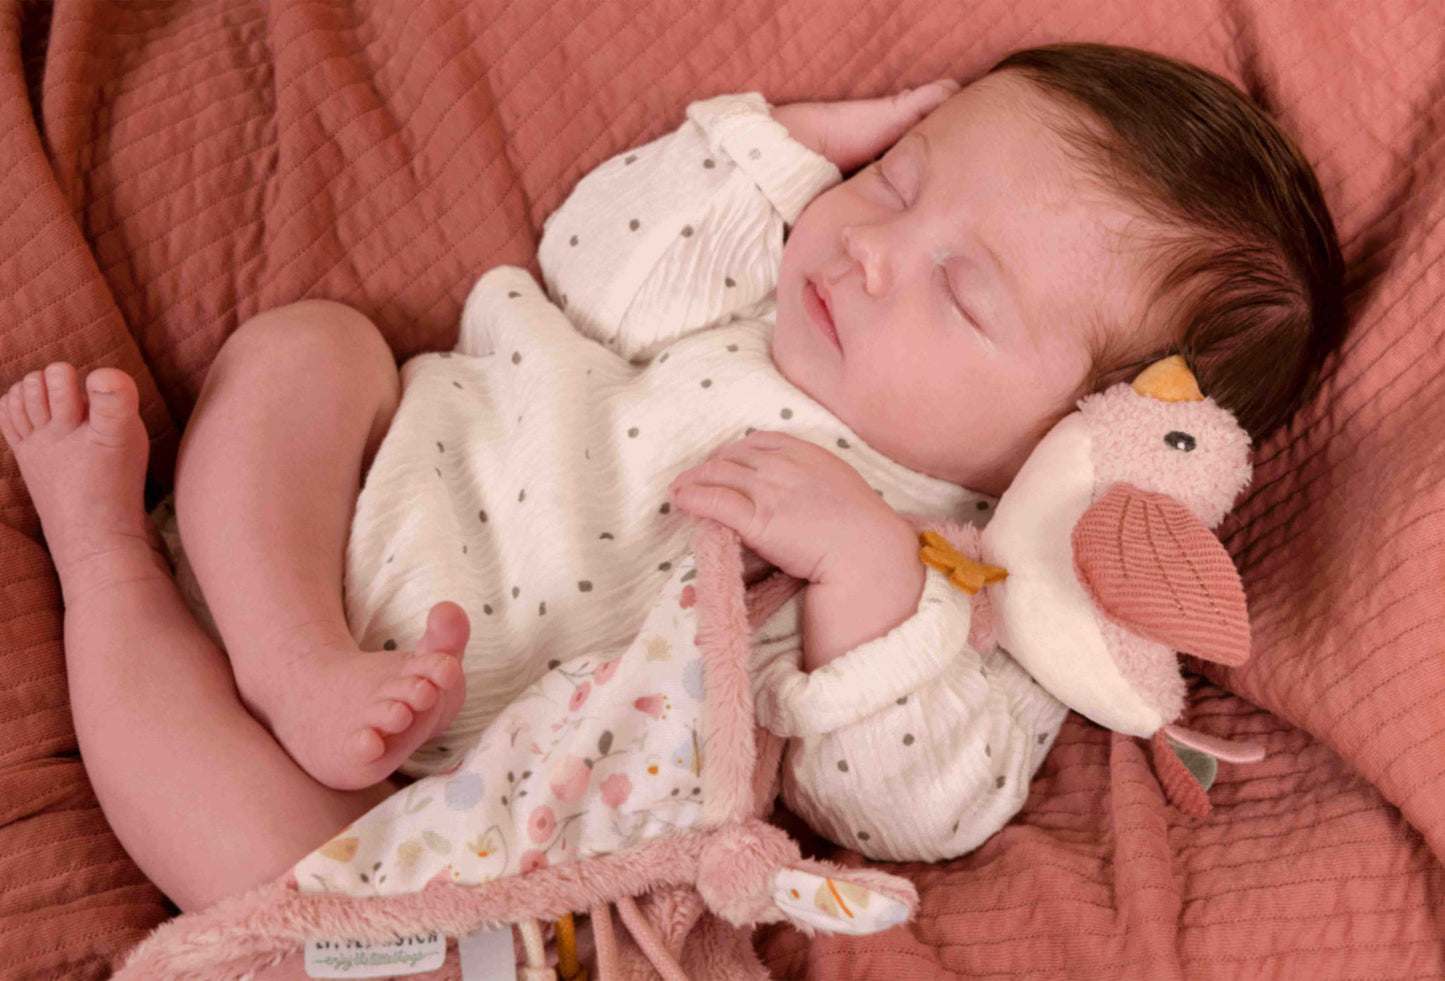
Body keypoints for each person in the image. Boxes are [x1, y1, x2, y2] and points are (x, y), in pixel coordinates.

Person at [0, 43, 1345, 912]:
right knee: (307, 346)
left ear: (1075, 431)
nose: (870, 245)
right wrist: (797, 141)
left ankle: (100, 554)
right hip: (354, 497)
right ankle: (287, 651)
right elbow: (593, 257)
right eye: (892, 181)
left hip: (430, 793)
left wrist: (867, 573)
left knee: (281, 879)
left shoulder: (965, 579)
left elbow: (919, 806)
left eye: (963, 290)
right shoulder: (751, 290)